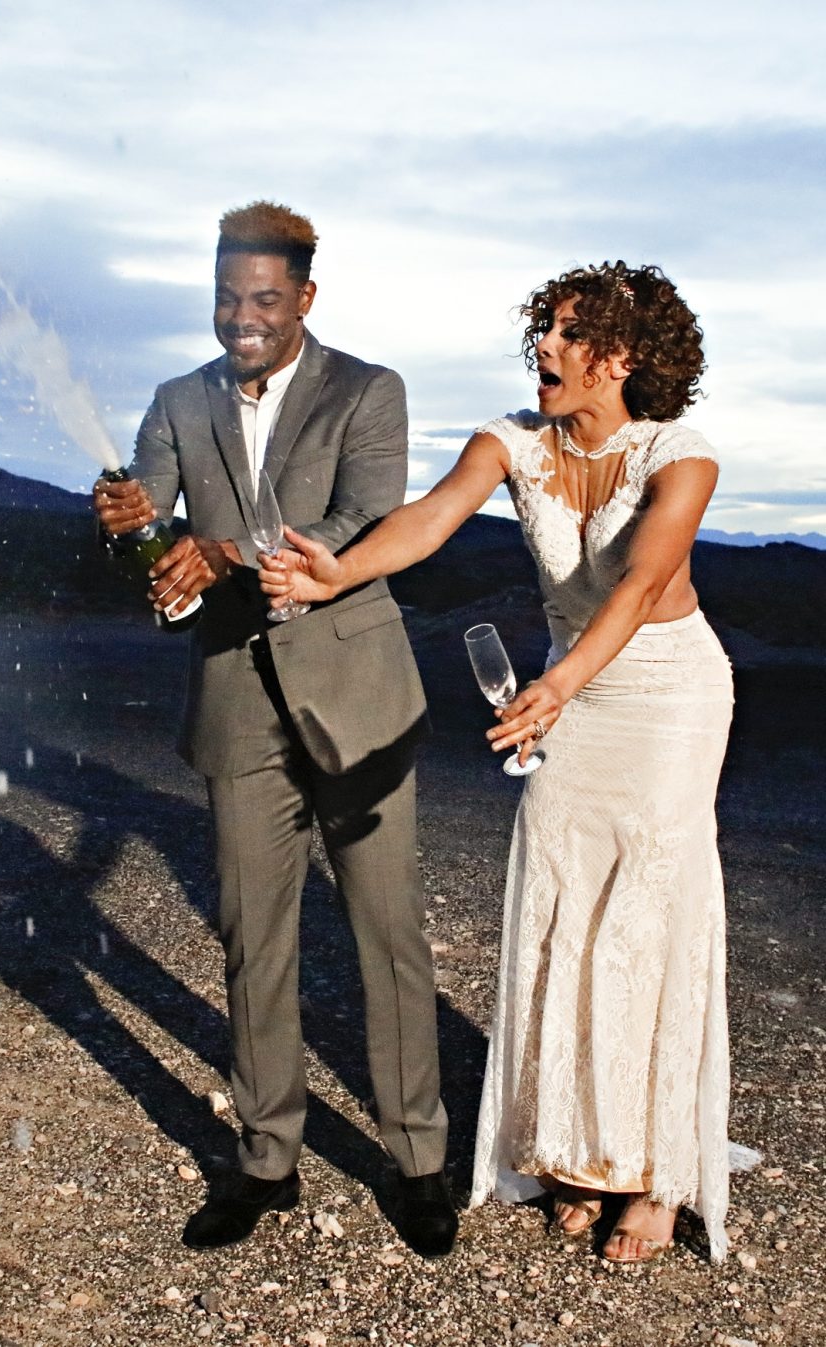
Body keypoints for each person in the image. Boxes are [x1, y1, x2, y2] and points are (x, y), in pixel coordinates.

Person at [259, 261, 734, 1263]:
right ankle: (571, 1150)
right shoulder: (514, 440)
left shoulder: (682, 456)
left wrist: (558, 687)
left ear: (627, 358)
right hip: (569, 692)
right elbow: (431, 518)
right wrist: (341, 567)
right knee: (559, 909)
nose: (546, 349)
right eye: (546, 329)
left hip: (665, 699)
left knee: (641, 922)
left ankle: (650, 1173)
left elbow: (645, 581)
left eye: (571, 334)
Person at [93, 201, 456, 1256]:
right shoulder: (174, 400)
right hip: (235, 705)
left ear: (304, 296)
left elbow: (358, 524)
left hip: (359, 703)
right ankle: (264, 1160)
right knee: (256, 942)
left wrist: (219, 549)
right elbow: (152, 545)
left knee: (388, 936)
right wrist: (127, 528)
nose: (241, 318)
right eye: (225, 297)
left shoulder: (369, 392)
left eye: (262, 298)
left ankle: (418, 1158)